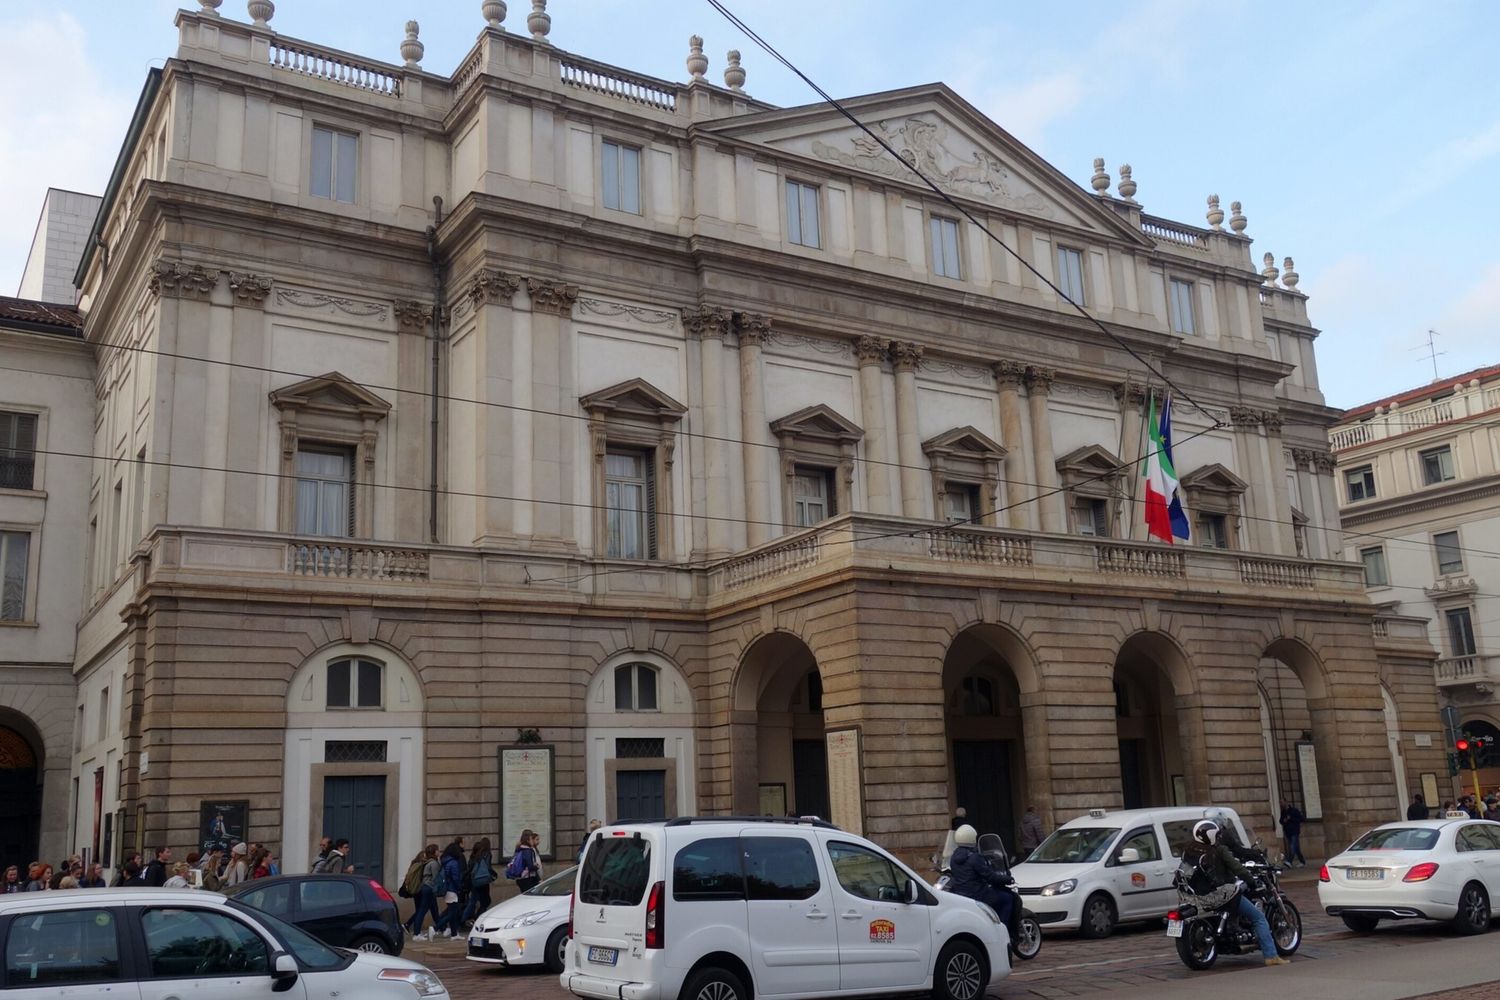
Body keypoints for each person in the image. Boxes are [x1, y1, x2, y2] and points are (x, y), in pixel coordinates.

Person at [1188, 820, 1288, 967]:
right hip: (1221, 893)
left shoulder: (1191, 850)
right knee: (1259, 918)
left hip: (1200, 895)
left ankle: (1233, 927)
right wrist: (1250, 880)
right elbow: (1238, 868)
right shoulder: (1219, 850)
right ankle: (1271, 956)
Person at [945, 825, 1014, 927]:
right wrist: (1008, 879)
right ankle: (1003, 930)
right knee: (1008, 899)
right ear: (972, 838)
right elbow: (989, 877)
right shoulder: (974, 857)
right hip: (978, 894)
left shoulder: (953, 857)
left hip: (961, 894)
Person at [405, 845, 442, 940]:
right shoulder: (433, 863)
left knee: (425, 910)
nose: (439, 851)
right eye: (437, 850)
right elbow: (436, 877)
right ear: (434, 852)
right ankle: (417, 934)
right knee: (422, 911)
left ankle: (440, 928)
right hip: (429, 888)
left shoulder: (426, 863)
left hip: (424, 888)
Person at [433, 842, 467, 938]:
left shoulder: (445, 861)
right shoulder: (454, 863)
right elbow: (455, 878)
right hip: (452, 889)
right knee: (453, 912)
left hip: (447, 889)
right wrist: (460, 887)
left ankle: (454, 934)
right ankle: (436, 928)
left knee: (453, 912)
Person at [461, 838, 496, 930]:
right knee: (486, 901)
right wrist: (493, 875)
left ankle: (464, 920)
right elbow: (488, 867)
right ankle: (476, 919)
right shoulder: (487, 854)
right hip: (483, 881)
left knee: (473, 901)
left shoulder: (475, 855)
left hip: (474, 881)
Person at [1278, 801, 1305, 867]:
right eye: (1280, 803)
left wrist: (1291, 819)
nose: (1281, 804)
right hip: (1288, 832)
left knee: (1292, 846)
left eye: (1282, 802)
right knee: (1296, 848)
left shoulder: (1294, 810)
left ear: (1286, 802)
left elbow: (1301, 819)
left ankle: (1289, 861)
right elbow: (1281, 821)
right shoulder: (1283, 812)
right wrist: (1284, 820)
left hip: (1294, 831)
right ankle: (1302, 861)